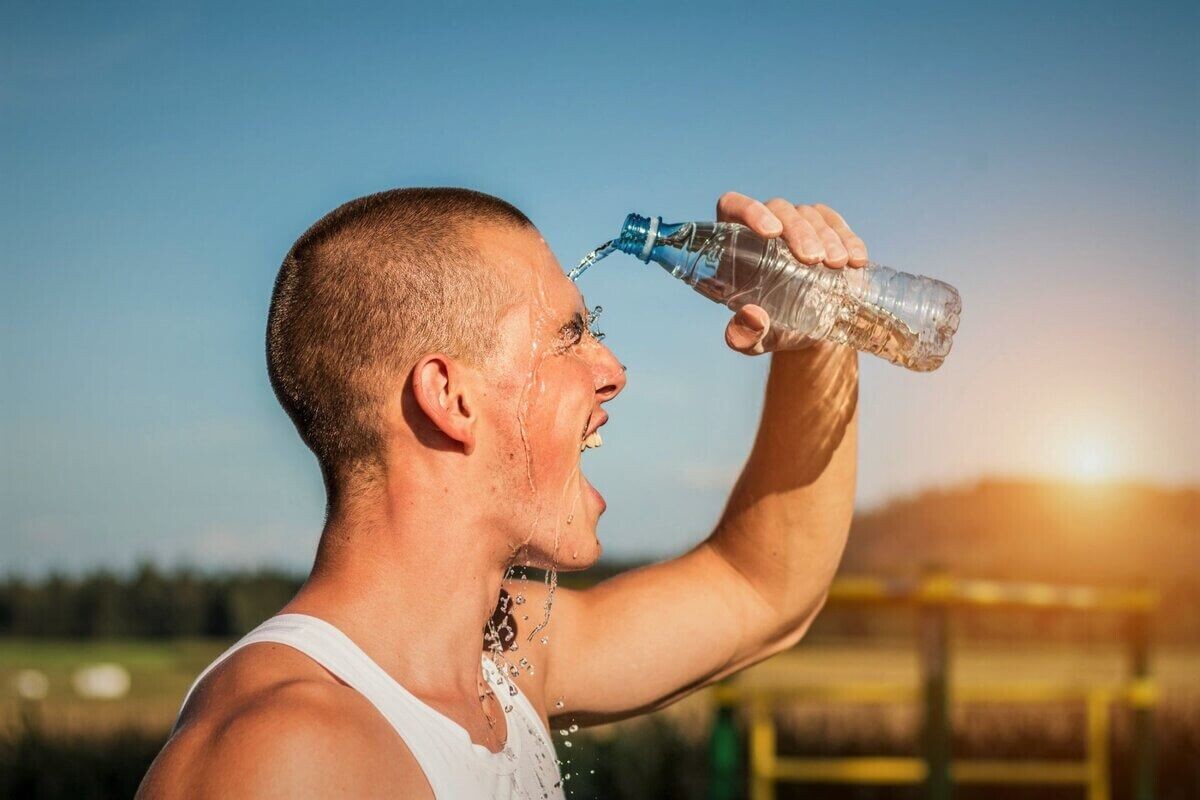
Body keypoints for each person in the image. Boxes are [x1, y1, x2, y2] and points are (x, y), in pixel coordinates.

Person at [137, 188, 865, 799]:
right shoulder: (279, 757)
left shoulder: (504, 658)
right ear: (450, 398)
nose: (612, 371)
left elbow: (761, 588)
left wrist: (819, 334)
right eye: (571, 333)